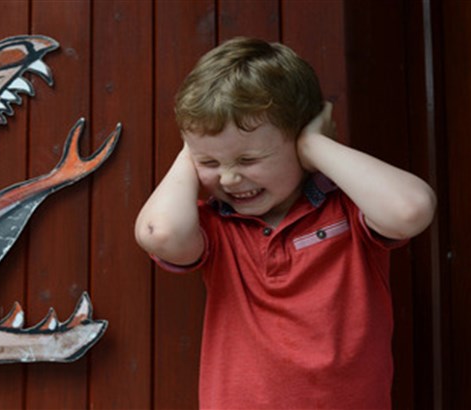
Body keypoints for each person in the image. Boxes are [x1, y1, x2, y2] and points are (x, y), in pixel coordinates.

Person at [134, 37, 436, 409]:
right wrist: (190, 149)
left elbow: (410, 209)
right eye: (210, 164)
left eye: (248, 160)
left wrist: (314, 147)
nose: (229, 179)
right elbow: (160, 234)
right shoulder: (215, 227)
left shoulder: (348, 212)